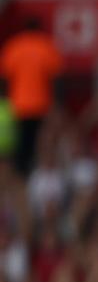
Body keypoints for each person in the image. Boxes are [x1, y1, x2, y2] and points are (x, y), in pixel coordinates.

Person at [0, 16, 63, 174]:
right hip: (41, 106)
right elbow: (57, 80)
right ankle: (35, 172)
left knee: (20, 146)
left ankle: (22, 172)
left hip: (18, 106)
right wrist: (56, 104)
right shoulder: (46, 46)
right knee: (39, 145)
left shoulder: (14, 46)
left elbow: (5, 79)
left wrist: (6, 100)